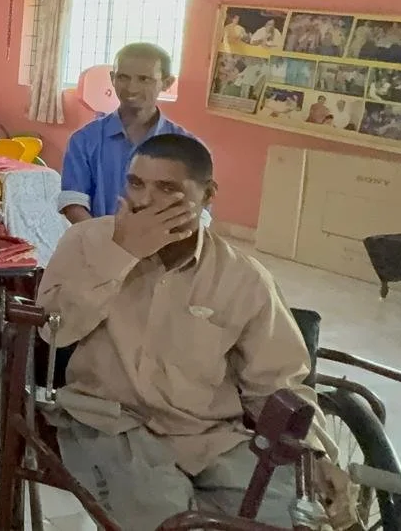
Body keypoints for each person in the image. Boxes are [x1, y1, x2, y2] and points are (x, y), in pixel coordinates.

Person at [38, 134, 345, 529]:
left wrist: (315, 455)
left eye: (168, 188)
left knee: (289, 517)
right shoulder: (86, 241)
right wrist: (123, 252)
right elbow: (53, 329)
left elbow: (276, 382)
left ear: (207, 195)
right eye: (136, 184)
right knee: (168, 517)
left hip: (206, 434)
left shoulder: (243, 278)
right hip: (107, 423)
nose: (145, 201)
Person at [59, 42, 195, 224]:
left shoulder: (186, 146)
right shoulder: (84, 140)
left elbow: (196, 210)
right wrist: (103, 241)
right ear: (112, 78)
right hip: (99, 244)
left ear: (167, 83)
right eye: (123, 77)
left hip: (162, 245)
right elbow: (73, 202)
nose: (132, 87)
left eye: (144, 79)